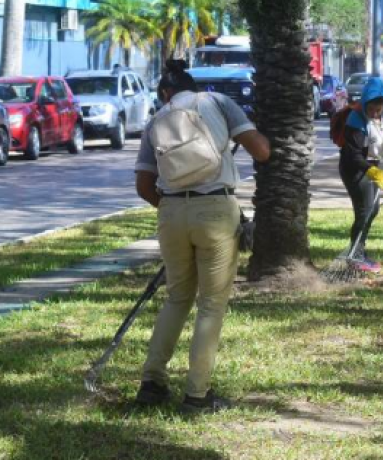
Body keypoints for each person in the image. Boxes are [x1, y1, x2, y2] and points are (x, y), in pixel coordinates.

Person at [134, 59, 270, 412]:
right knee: (211, 304)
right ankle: (197, 394)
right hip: (216, 209)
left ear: (166, 92)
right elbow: (261, 151)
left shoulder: (156, 121)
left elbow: (144, 185)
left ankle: (152, 382)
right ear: (192, 87)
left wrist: (173, 208)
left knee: (177, 297)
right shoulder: (218, 103)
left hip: (171, 212)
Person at [338, 76, 383, 274]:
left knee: (373, 210)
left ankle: (359, 251)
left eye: (378, 110)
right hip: (355, 169)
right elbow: (352, 154)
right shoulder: (355, 120)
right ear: (364, 103)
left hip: (373, 167)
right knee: (364, 211)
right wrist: (370, 170)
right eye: (371, 109)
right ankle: (354, 256)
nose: (374, 113)